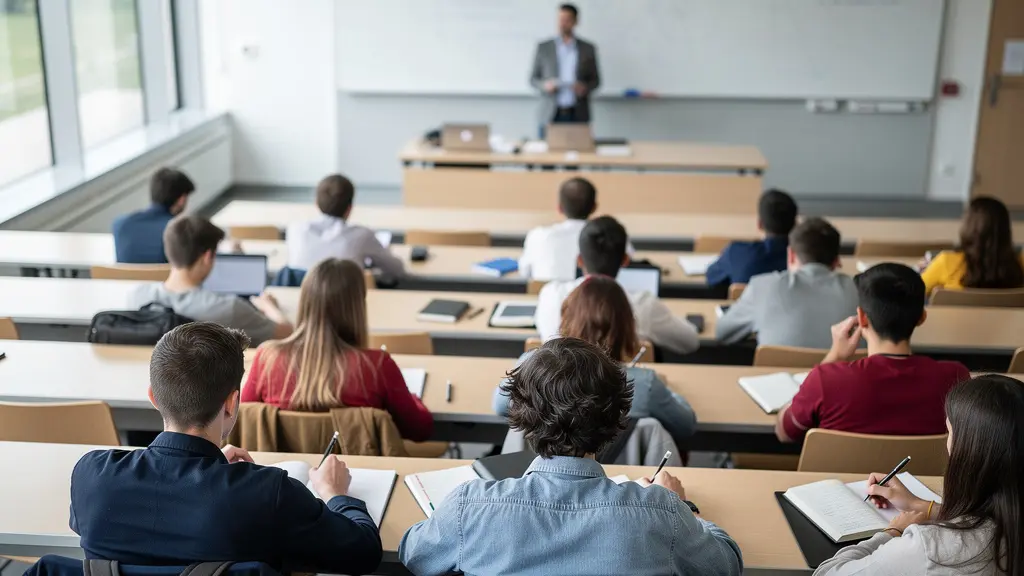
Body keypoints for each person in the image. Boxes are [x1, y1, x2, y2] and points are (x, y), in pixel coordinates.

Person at [400, 337, 742, 576]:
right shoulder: (662, 513)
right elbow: (725, 565)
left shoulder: (469, 507)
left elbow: (413, 555)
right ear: (616, 419)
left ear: (521, 415)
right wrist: (683, 508)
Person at [69, 322, 382, 574]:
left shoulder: (92, 475)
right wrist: (336, 495)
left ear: (153, 397)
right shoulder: (266, 493)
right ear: (232, 403)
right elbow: (364, 554)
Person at [813, 374, 1024, 575]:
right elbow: (992, 518)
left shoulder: (928, 549)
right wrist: (921, 506)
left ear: (970, 451)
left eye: (949, 432)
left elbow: (826, 573)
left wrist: (893, 532)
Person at [776, 263, 970, 443]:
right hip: (921, 480)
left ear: (862, 318)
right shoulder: (956, 378)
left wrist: (835, 356)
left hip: (841, 480)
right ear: (922, 317)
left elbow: (784, 432)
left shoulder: (825, 380)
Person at [243, 258, 433, 441]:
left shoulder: (267, 357)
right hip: (359, 471)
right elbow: (419, 430)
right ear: (358, 306)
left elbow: (241, 418)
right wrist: (413, 398)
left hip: (286, 471)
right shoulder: (376, 366)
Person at [495, 275, 696, 446]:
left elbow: (500, 405)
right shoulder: (645, 384)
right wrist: (668, 391)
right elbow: (686, 425)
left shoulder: (532, 365)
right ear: (627, 326)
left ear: (566, 317)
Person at [535, 215, 700, 355]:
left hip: (559, 388)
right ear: (625, 260)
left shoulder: (550, 295)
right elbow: (691, 342)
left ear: (579, 260)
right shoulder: (645, 305)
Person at [129, 215, 292, 345]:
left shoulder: (138, 297)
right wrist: (270, 307)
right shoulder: (230, 308)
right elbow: (288, 333)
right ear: (208, 256)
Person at [716, 217, 857, 349]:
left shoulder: (762, 287)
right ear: (837, 261)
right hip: (844, 375)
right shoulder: (861, 291)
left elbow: (722, 332)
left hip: (777, 374)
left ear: (790, 255)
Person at [286, 173, 404, 277]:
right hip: (346, 300)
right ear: (350, 208)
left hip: (303, 300)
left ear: (316, 203)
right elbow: (396, 269)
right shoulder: (362, 235)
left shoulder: (295, 229)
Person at [518, 177, 633, 281]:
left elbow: (525, 272)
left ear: (559, 208)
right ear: (594, 207)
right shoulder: (612, 236)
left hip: (549, 301)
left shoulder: (538, 236)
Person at [921, 196, 1024, 296]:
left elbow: (911, 293)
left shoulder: (946, 262)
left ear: (968, 226)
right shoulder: (1021, 264)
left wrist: (927, 270)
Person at [705, 188, 798, 287]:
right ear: (795, 224)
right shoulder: (805, 259)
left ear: (760, 224)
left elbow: (711, 276)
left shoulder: (737, 253)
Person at [529, 3, 600, 126]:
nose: (562, 24)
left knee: (580, 146)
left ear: (575, 21)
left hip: (578, 114)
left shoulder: (588, 49)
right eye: (560, 19)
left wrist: (584, 88)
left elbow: (596, 81)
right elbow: (533, 79)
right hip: (550, 114)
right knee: (547, 146)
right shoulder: (544, 48)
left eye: (567, 20)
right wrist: (545, 86)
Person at [112, 168, 194, 264]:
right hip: (162, 279)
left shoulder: (119, 225)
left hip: (125, 279)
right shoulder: (179, 232)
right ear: (182, 200)